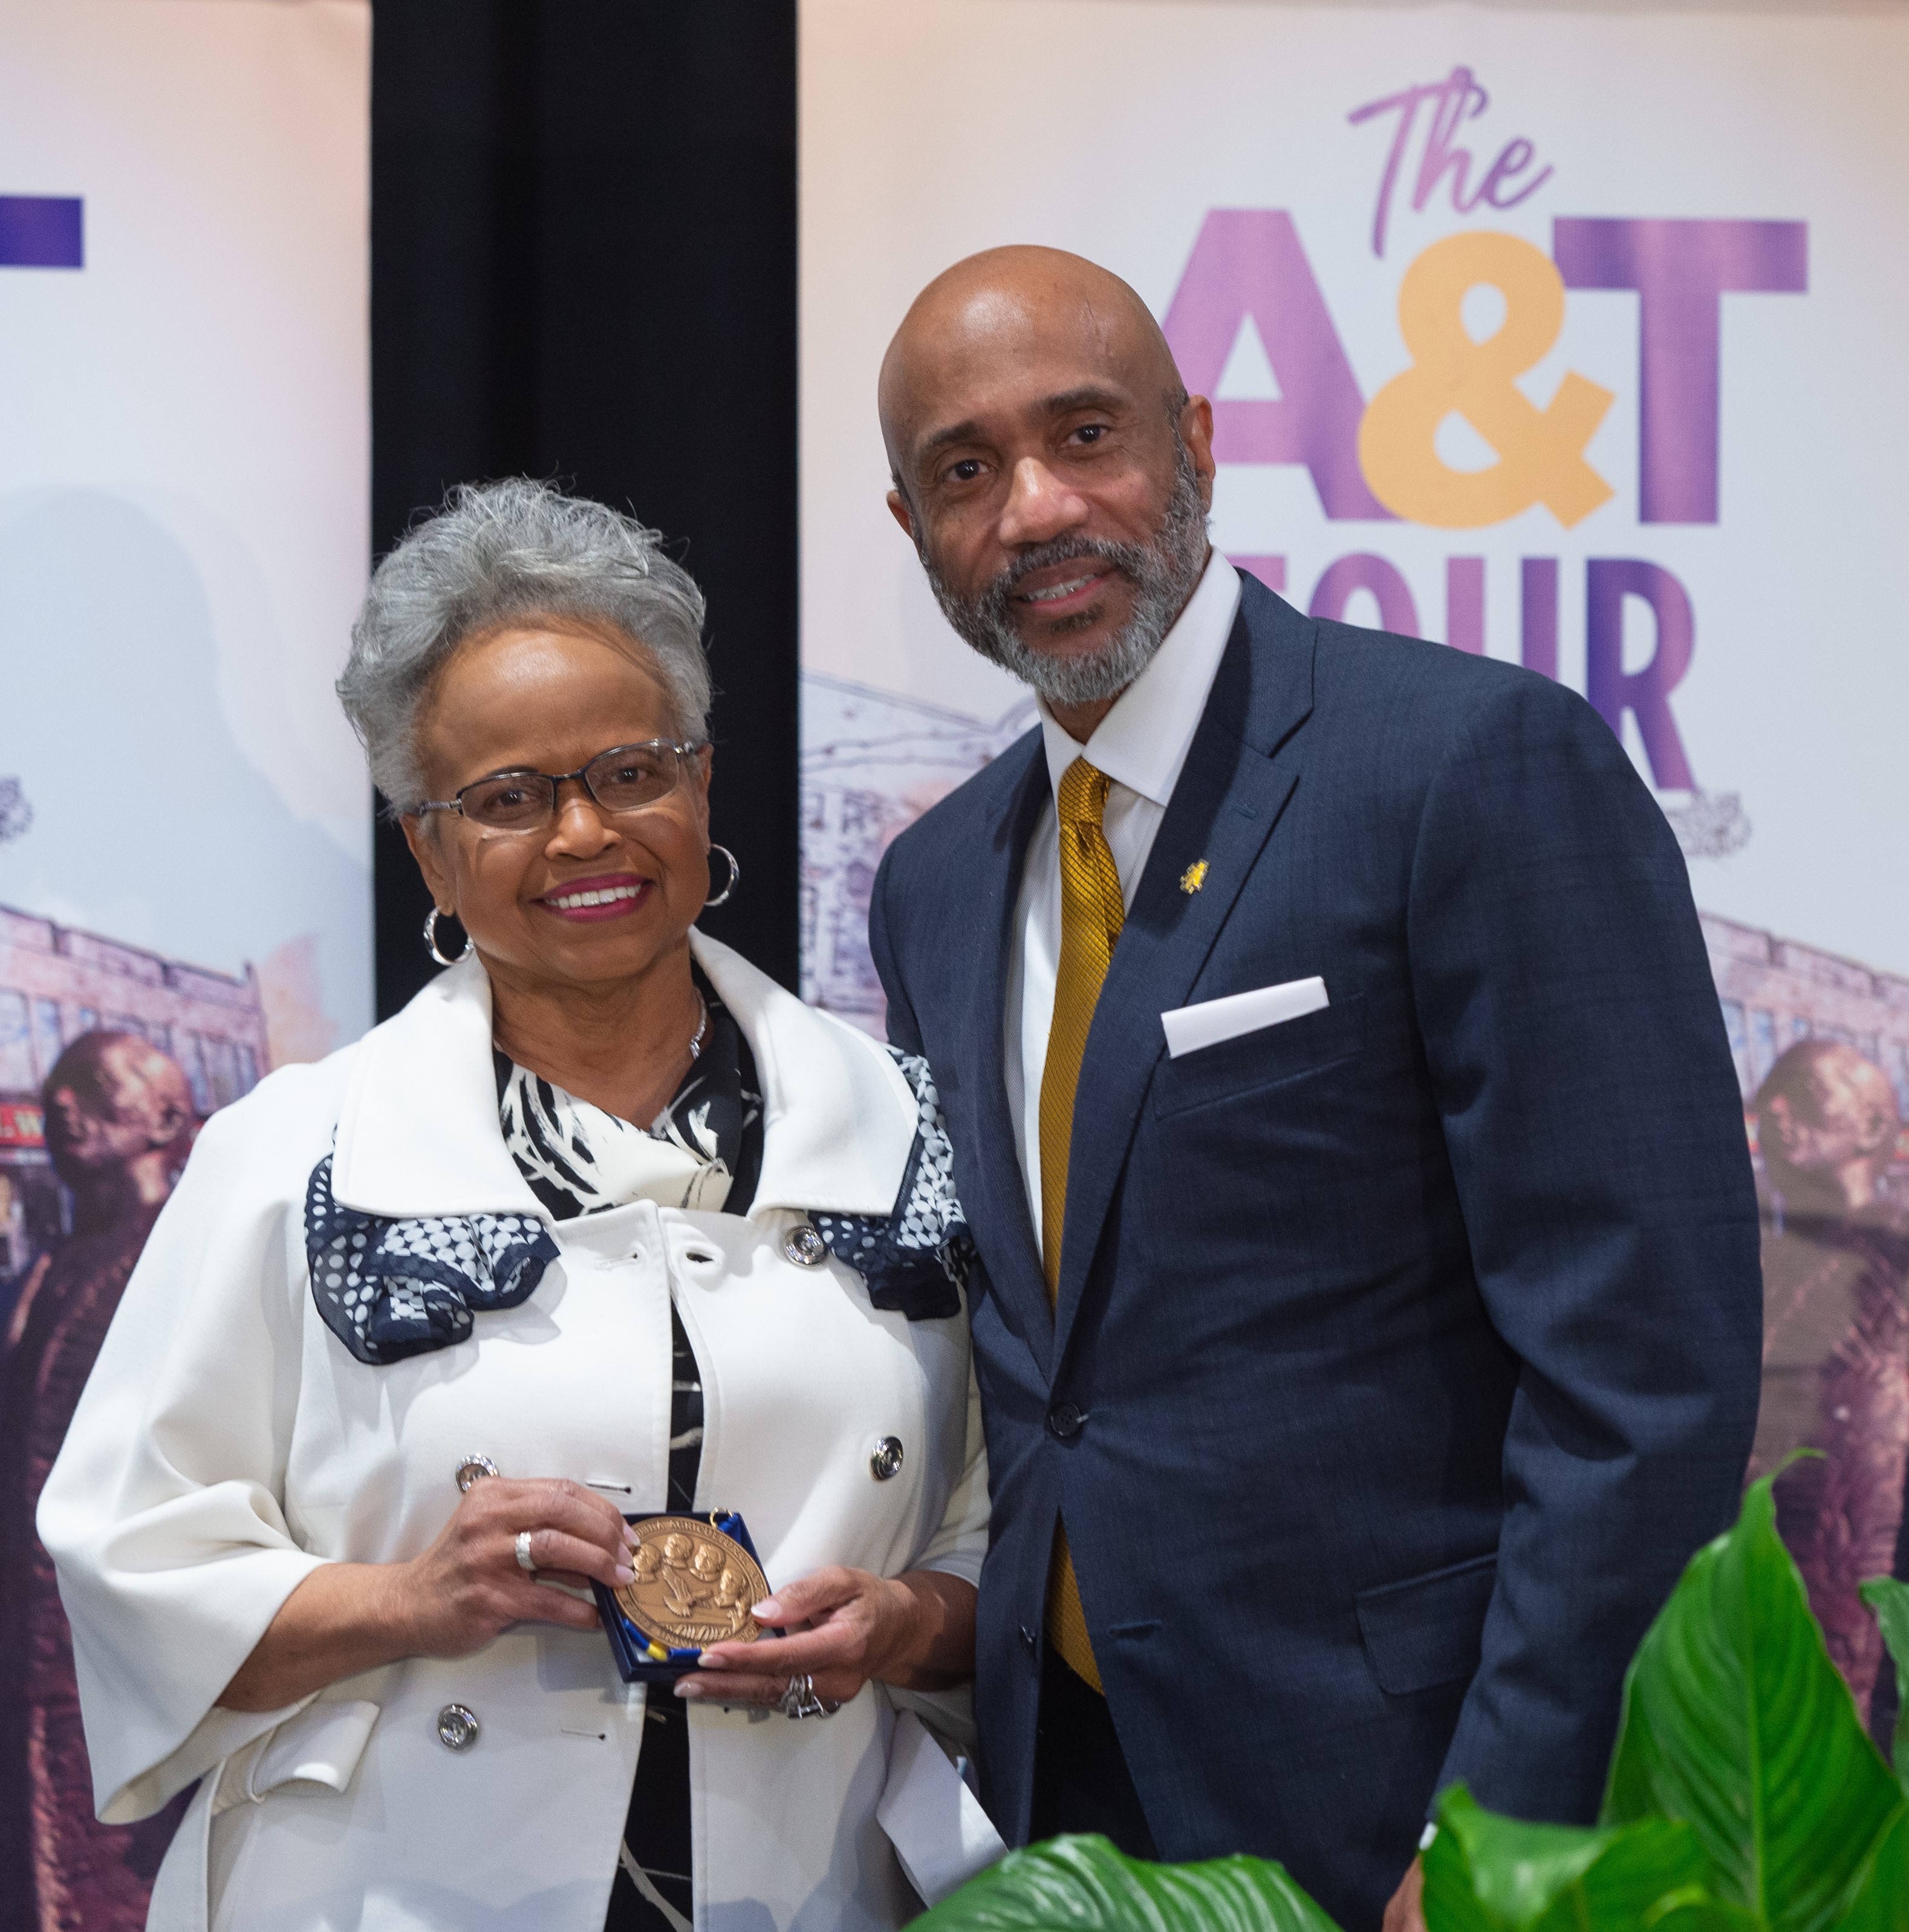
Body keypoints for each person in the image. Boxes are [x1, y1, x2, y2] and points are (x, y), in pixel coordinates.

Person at [867, 246, 1763, 1931]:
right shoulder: (930, 881)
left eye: (1084, 435)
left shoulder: (1467, 769)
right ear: (911, 526)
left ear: (1195, 439)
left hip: (1395, 1813)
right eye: (964, 471)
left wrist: (1492, 1838)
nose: (1036, 508)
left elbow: (1641, 1373)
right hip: (1060, 1816)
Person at [39, 481, 994, 1932]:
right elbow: (129, 1563)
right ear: (428, 849)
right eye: (505, 798)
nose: (582, 835)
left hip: (812, 1879)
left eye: (630, 769)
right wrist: (412, 1597)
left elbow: (1024, 1521)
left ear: (705, 777)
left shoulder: (905, 1128)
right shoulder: (295, 1151)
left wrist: (915, 1621)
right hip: (389, 1885)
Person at [0, 1032, 197, 1932]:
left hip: (149, 1666)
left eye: (90, 1084)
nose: (63, 1107)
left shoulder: (197, 1252)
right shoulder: (45, 1273)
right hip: (33, 1657)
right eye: (54, 1092)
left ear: (165, 1111)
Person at [1748, 1038, 1909, 1725]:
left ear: (1872, 1125)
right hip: (1773, 1568)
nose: (1779, 1112)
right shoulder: (1764, 1262)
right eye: (1772, 1095)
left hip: (1870, 1586)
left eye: (1808, 1095)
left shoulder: (1893, 1246)